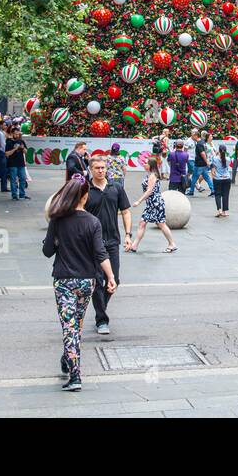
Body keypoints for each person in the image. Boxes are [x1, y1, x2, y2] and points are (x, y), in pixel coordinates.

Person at [43, 173, 117, 392]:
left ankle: (75, 376)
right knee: (76, 325)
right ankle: (68, 359)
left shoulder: (57, 220)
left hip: (64, 281)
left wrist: (54, 240)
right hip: (87, 281)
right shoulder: (93, 222)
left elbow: (48, 251)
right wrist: (111, 277)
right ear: (85, 197)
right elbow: (100, 253)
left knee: (69, 328)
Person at [84, 154, 131, 335]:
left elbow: (125, 212)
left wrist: (128, 234)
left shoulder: (116, 188)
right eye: (97, 168)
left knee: (115, 280)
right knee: (97, 281)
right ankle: (101, 319)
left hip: (112, 241)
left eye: (103, 167)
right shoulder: (85, 189)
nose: (101, 171)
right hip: (91, 243)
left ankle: (99, 308)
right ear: (91, 169)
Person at [129, 155, 177, 253]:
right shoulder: (150, 174)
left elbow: (149, 191)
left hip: (156, 203)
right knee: (142, 223)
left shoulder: (152, 176)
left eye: (146, 163)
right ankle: (134, 245)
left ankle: (172, 244)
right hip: (151, 203)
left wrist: (139, 201)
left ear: (150, 165)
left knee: (161, 224)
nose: (144, 164)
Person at [6, 126, 29, 199]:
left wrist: (23, 148)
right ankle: (14, 195)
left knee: (23, 179)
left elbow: (26, 152)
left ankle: (22, 194)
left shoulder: (21, 141)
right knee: (13, 180)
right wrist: (14, 149)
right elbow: (7, 154)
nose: (17, 136)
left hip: (21, 163)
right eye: (15, 134)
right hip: (12, 164)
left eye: (18, 134)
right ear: (12, 134)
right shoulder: (9, 142)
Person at [211, 144, 233, 217]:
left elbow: (212, 164)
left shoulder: (215, 158)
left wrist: (217, 154)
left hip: (217, 178)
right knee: (225, 195)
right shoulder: (228, 159)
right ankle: (225, 211)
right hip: (227, 178)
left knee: (217, 194)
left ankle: (219, 210)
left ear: (219, 150)